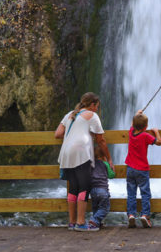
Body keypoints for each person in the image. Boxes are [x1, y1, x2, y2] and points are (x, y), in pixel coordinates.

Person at [54, 92, 113, 232]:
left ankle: (72, 222)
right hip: (81, 153)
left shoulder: (70, 114)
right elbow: (101, 140)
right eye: (97, 106)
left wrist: (75, 132)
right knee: (84, 187)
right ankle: (80, 223)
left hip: (66, 153)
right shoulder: (92, 116)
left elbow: (58, 134)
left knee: (73, 187)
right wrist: (109, 158)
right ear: (92, 105)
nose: (97, 109)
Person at [125, 109, 161, 228]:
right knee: (145, 193)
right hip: (142, 169)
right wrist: (156, 132)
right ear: (146, 127)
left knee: (131, 193)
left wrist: (137, 114)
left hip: (130, 168)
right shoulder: (145, 136)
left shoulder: (131, 132)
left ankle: (131, 215)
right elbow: (159, 142)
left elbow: (133, 124)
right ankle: (145, 215)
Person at [88, 145, 113, 230]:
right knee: (105, 208)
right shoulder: (105, 164)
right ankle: (94, 220)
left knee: (95, 207)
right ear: (104, 156)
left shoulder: (91, 164)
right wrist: (113, 170)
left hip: (92, 190)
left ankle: (96, 223)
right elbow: (111, 175)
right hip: (102, 190)